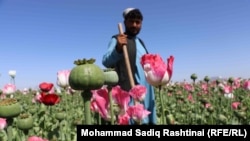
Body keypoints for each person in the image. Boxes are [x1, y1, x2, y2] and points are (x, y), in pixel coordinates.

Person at [102, 8, 157, 125]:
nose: (134, 25)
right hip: (128, 89)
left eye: (138, 22)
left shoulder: (141, 42)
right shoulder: (117, 39)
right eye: (131, 21)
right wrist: (118, 48)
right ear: (125, 22)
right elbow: (106, 61)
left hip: (145, 91)